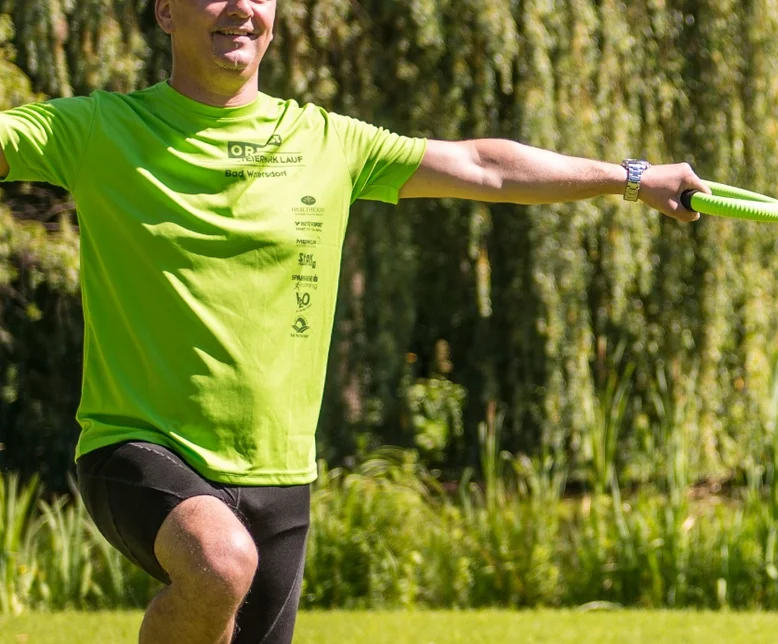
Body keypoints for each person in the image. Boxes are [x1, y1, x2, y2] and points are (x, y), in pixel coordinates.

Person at [0, 1, 713, 642]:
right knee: (219, 564)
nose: (240, 8)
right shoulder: (95, 129)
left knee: (233, 578)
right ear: (164, 12)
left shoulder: (327, 141)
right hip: (138, 446)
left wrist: (630, 177)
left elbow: (484, 167)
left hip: (280, 474)